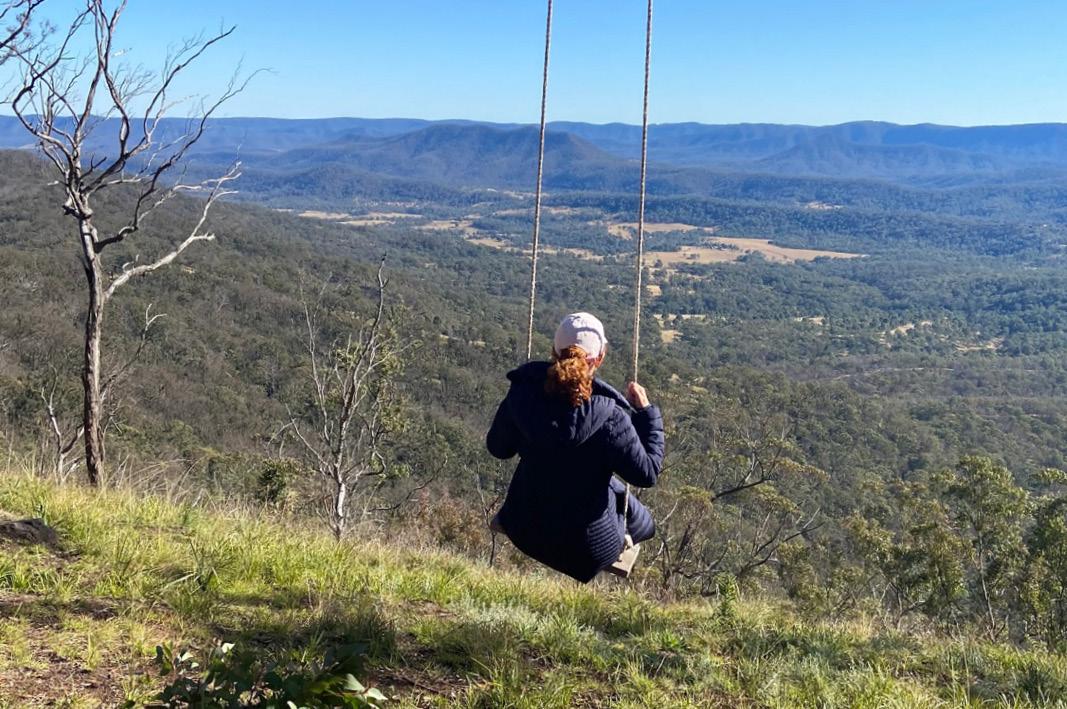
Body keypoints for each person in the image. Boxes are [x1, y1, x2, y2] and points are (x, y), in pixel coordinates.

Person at [486, 312, 664, 583]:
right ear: (599, 358)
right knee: (644, 521)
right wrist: (647, 413)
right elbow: (647, 473)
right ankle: (618, 538)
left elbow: (499, 448)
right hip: (586, 551)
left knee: (603, 485)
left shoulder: (523, 395)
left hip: (524, 528)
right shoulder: (611, 417)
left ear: (553, 352)